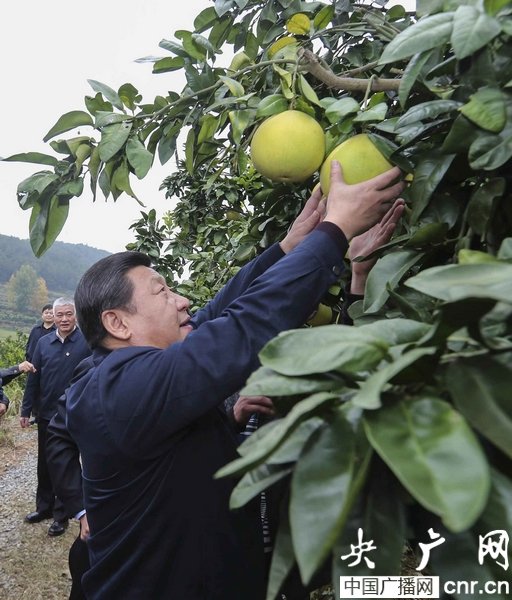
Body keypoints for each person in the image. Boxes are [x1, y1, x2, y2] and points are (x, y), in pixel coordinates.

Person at [65, 162, 405, 599]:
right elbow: (240, 327)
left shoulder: (129, 378)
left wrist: (287, 248)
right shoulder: (120, 389)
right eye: (162, 291)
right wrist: (334, 231)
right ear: (118, 322)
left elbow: (219, 314)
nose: (182, 299)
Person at [20, 297, 91, 536]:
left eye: (68, 314)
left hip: (77, 414)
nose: (63, 319)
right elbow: (34, 379)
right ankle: (44, 507)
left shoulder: (87, 342)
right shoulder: (43, 343)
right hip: (47, 414)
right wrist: (25, 409)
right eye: (59, 314)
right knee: (45, 463)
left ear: (75, 316)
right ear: (53, 315)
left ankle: (62, 515)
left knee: (68, 464)